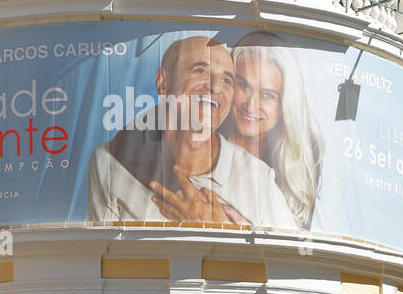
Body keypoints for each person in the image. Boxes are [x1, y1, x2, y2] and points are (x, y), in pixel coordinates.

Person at [88, 34, 297, 229]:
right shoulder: (110, 163)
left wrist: (219, 225)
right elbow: (106, 258)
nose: (215, 87)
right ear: (163, 83)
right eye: (200, 70)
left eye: (226, 80)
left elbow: (291, 262)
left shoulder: (258, 178)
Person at [222, 31, 324, 230]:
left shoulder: (301, 155)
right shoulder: (202, 136)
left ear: (285, 103)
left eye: (267, 95)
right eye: (243, 85)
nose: (251, 105)